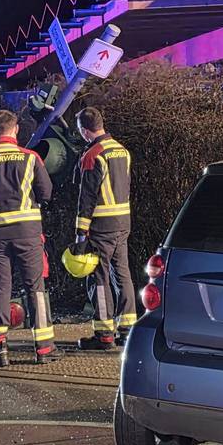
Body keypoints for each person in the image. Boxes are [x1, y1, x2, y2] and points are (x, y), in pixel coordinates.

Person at [0, 109, 59, 367]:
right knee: (35, 287)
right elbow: (46, 192)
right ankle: (44, 348)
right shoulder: (30, 158)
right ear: (15, 129)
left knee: (0, 289)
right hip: (28, 232)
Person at [72, 106, 137, 350]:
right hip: (123, 222)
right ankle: (128, 329)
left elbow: (87, 197)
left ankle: (104, 334)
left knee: (98, 277)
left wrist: (81, 231)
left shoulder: (93, 154)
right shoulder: (122, 150)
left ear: (85, 131)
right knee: (122, 275)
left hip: (101, 225)